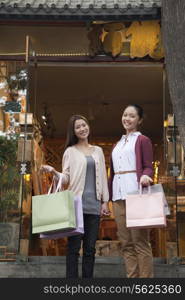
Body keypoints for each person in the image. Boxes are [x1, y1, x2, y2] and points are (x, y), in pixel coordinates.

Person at [41, 115, 110, 278]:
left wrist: (105, 202)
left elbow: (103, 177)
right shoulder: (70, 152)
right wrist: (53, 172)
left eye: (84, 125)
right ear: (73, 132)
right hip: (76, 205)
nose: (82, 129)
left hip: (94, 206)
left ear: (88, 126)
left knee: (90, 249)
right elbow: (66, 179)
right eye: (78, 127)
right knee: (73, 248)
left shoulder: (98, 151)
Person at [108, 104, 154, 278]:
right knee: (126, 243)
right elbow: (112, 174)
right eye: (125, 114)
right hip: (118, 196)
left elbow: (148, 167)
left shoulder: (142, 140)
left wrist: (145, 176)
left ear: (139, 120)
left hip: (136, 195)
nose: (127, 118)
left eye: (132, 116)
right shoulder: (116, 145)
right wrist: (108, 198)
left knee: (140, 242)